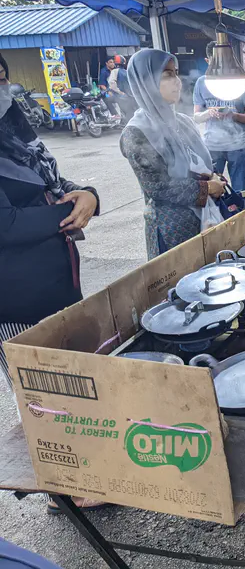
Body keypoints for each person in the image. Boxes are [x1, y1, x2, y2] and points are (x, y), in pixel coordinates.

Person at [0, 51, 103, 514]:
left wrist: (89, 196)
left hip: (56, 283)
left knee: (70, 385)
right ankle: (65, 488)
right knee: (38, 393)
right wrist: (67, 210)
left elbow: (55, 183)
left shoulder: (15, 137)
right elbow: (6, 223)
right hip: (11, 301)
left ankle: (86, 472)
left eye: (0, 77)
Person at [121, 49, 225, 260]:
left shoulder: (184, 122)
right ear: (144, 81)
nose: (177, 81)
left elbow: (203, 165)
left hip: (206, 221)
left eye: (176, 73)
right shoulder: (136, 132)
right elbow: (158, 187)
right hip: (172, 232)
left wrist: (215, 178)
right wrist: (206, 188)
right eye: (167, 75)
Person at [193, 42, 245, 197]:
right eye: (215, 64)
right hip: (212, 146)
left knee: (240, 192)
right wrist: (209, 113)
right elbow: (196, 117)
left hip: (238, 147)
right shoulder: (201, 83)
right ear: (207, 61)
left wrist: (233, 115)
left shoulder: (240, 83)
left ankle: (244, 218)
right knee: (213, 192)